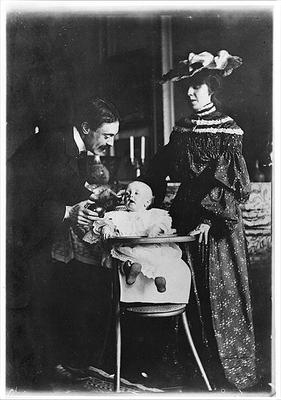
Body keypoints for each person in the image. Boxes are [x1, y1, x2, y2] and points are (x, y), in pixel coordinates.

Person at [140, 50, 257, 391]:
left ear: (213, 88)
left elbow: (232, 183)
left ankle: (223, 373)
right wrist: (141, 192)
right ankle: (187, 372)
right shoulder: (182, 129)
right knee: (182, 289)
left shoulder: (229, 131)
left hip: (217, 225)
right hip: (183, 216)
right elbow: (160, 167)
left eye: (197, 86)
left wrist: (208, 219)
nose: (190, 93)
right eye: (187, 87)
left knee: (215, 291)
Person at [7, 97, 120, 386]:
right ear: (86, 128)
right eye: (106, 135)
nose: (110, 142)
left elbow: (59, 182)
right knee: (24, 305)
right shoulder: (53, 145)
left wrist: (94, 194)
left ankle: (43, 372)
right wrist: (69, 211)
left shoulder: (68, 146)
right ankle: (28, 382)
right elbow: (18, 200)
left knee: (43, 300)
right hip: (14, 236)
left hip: (35, 237)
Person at [83, 181, 190, 298]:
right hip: (129, 247)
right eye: (127, 194)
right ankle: (131, 270)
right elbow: (108, 222)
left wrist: (157, 228)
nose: (131, 196)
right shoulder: (119, 215)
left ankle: (160, 278)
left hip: (152, 247)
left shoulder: (154, 215)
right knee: (123, 256)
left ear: (147, 202)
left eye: (136, 193)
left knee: (161, 257)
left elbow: (165, 223)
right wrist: (107, 228)